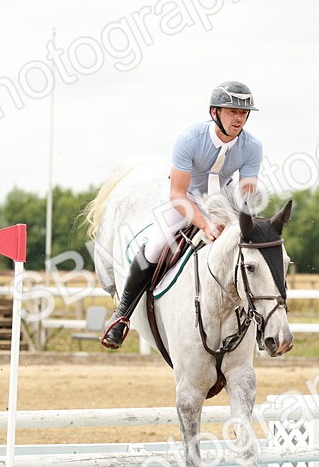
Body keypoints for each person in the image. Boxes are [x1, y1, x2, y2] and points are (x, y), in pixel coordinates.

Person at [101, 80, 263, 349]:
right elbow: (178, 193)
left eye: (243, 113)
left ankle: (263, 321)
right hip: (183, 198)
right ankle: (122, 316)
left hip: (222, 198)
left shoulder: (252, 146)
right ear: (215, 113)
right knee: (155, 247)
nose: (239, 118)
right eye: (232, 111)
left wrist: (242, 222)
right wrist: (205, 224)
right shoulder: (190, 139)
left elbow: (246, 197)